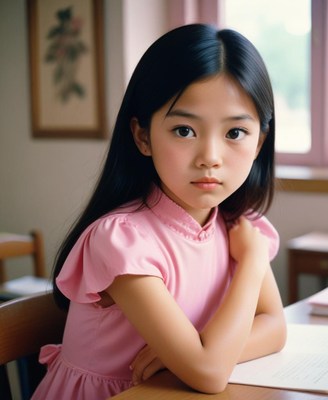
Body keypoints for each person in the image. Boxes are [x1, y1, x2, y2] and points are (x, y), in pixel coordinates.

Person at [32, 23, 286, 399]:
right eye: (184, 130)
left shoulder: (238, 224)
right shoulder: (122, 241)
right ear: (143, 137)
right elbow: (209, 373)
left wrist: (191, 352)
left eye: (234, 133)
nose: (210, 159)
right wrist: (250, 261)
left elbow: (276, 328)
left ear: (259, 142)